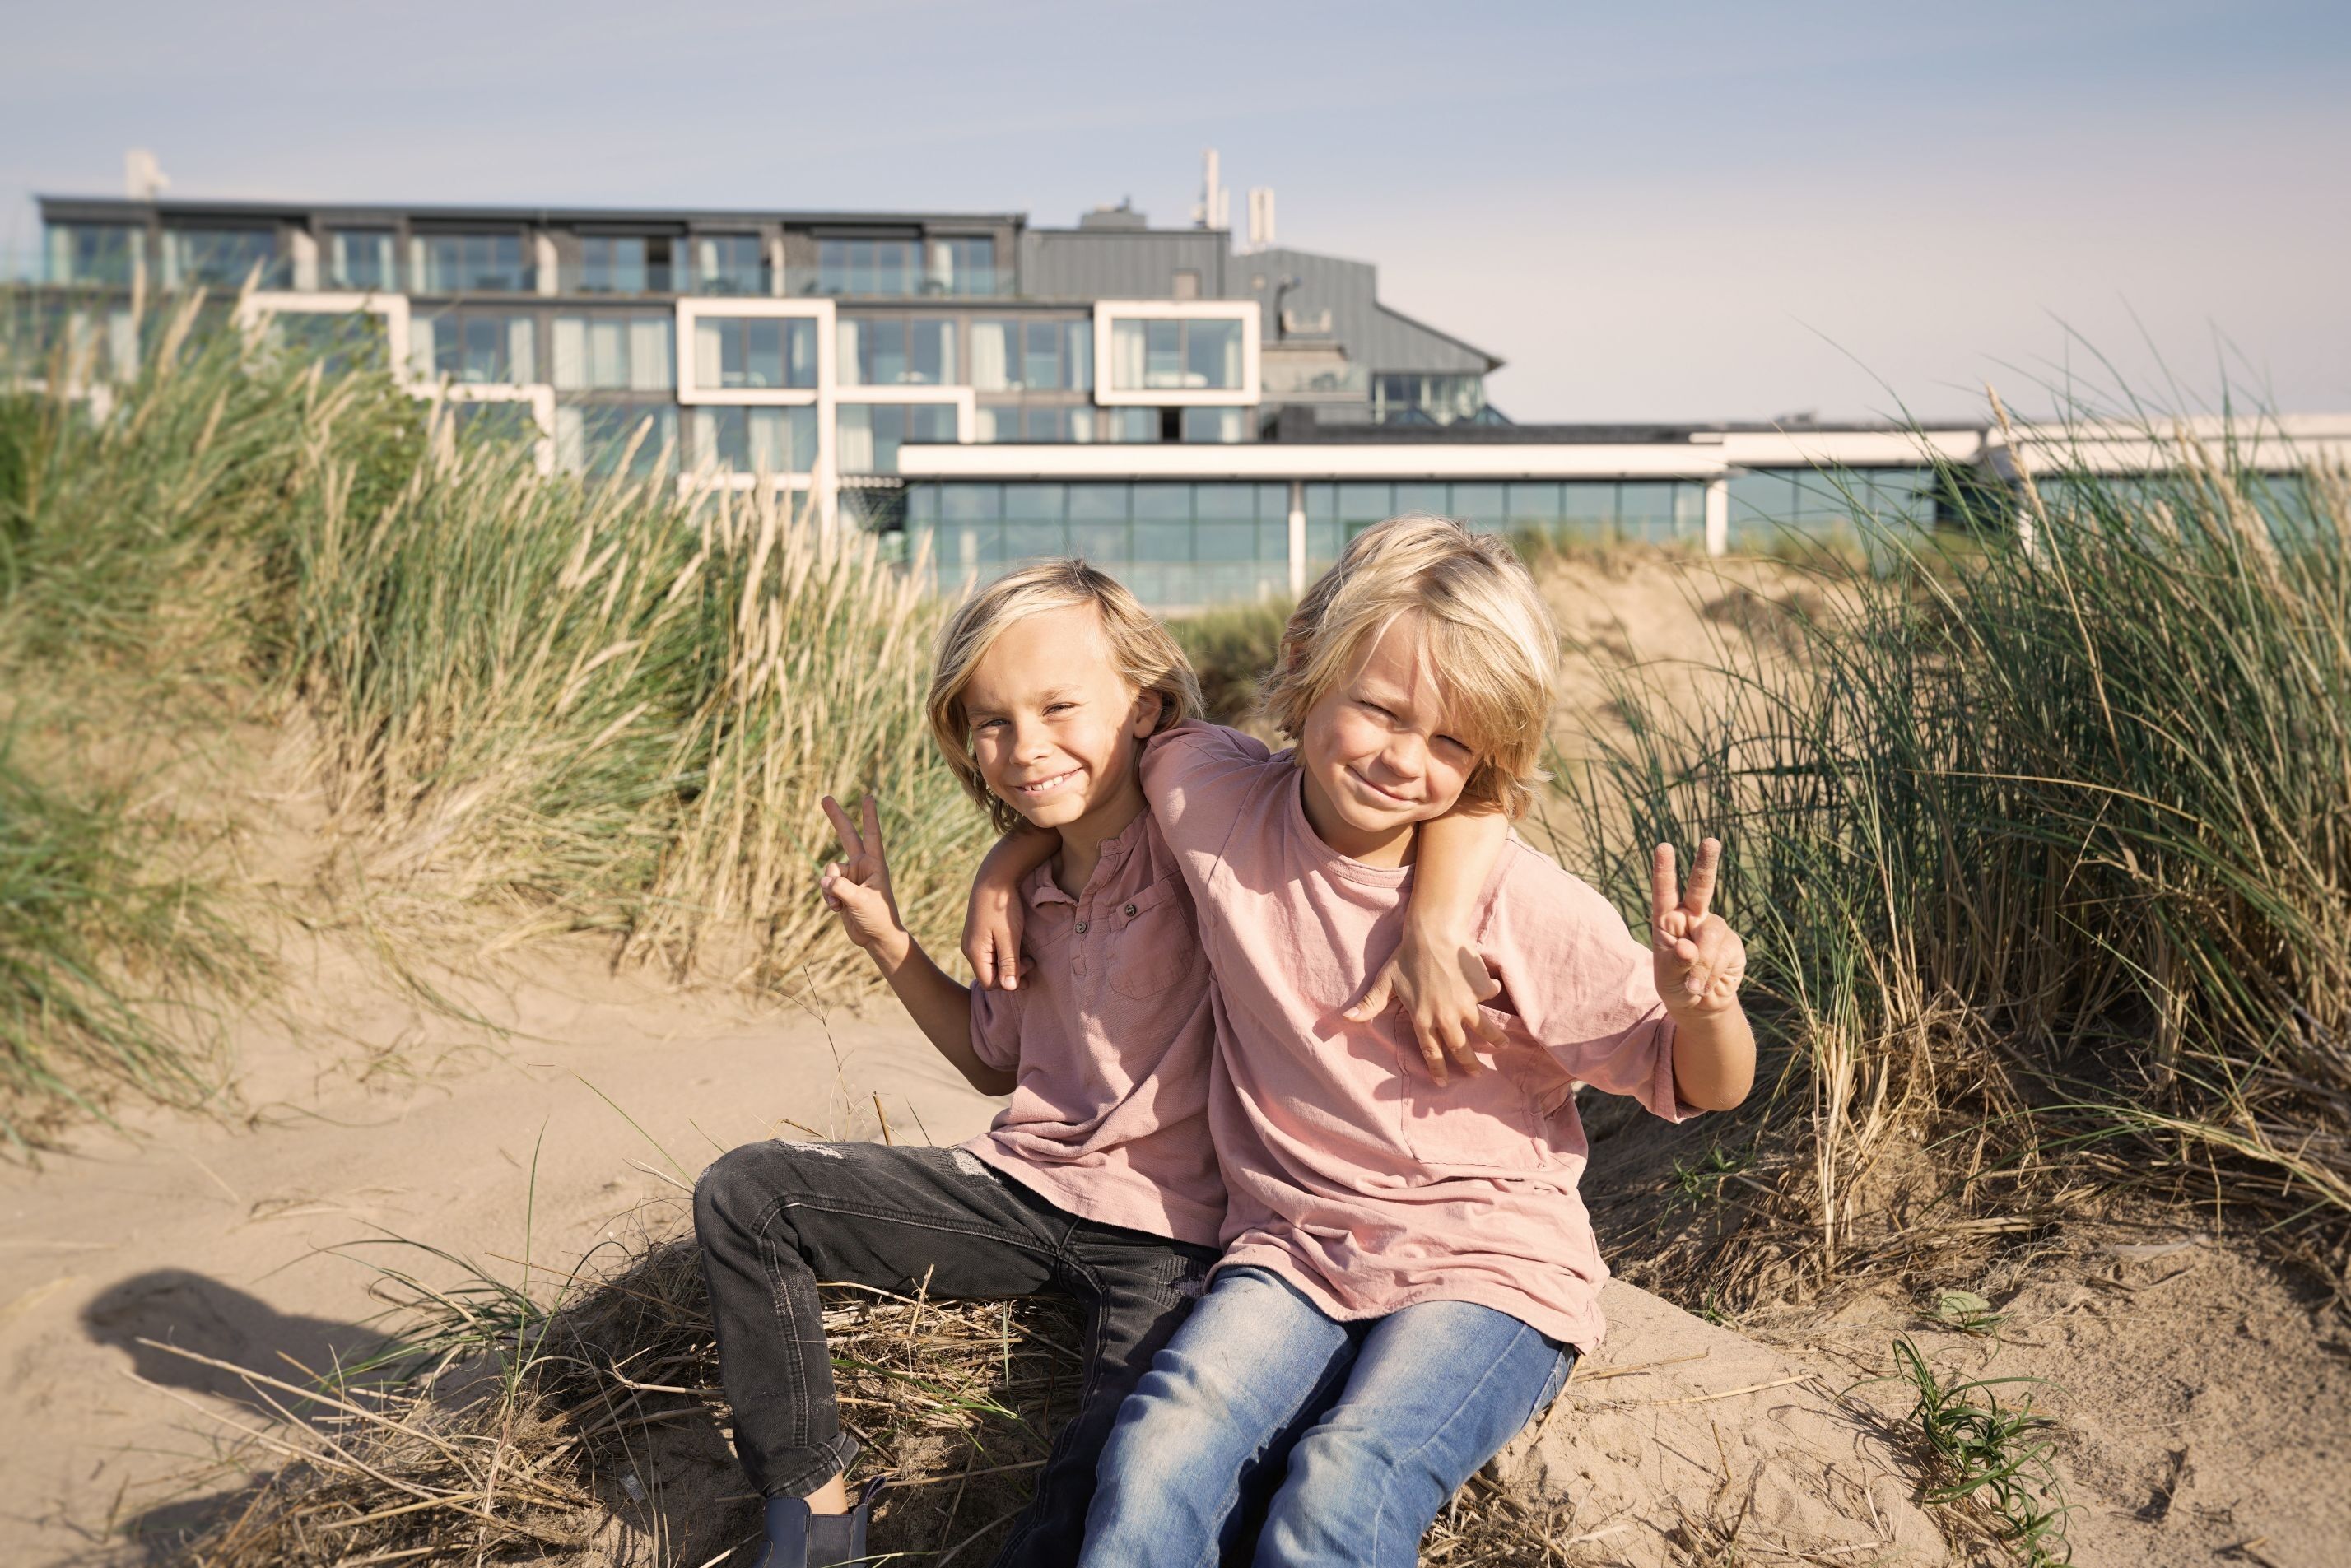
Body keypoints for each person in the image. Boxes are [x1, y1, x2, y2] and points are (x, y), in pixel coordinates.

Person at [968, 516, 1757, 1566]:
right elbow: (1088, 771)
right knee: (1159, 1442)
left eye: (1449, 743)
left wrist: (1704, 1005)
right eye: (1379, 711)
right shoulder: (1204, 792)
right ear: (1305, 667)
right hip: (1291, 1246)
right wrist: (1004, 866)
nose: (1401, 760)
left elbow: (1700, 1085)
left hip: (1488, 1262)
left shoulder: (1521, 902)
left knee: (1342, 1481)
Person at [692, 560, 1501, 1568]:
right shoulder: (1029, 887)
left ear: (1149, 706)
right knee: (750, 1194)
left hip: (1179, 1234)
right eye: (990, 723)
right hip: (1028, 1190)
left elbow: (1463, 799)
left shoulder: (1216, 817)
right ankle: (813, 1519)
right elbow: (994, 1065)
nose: (1025, 747)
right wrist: (896, 939)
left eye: (1059, 707)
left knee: (1095, 1504)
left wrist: (1431, 921)